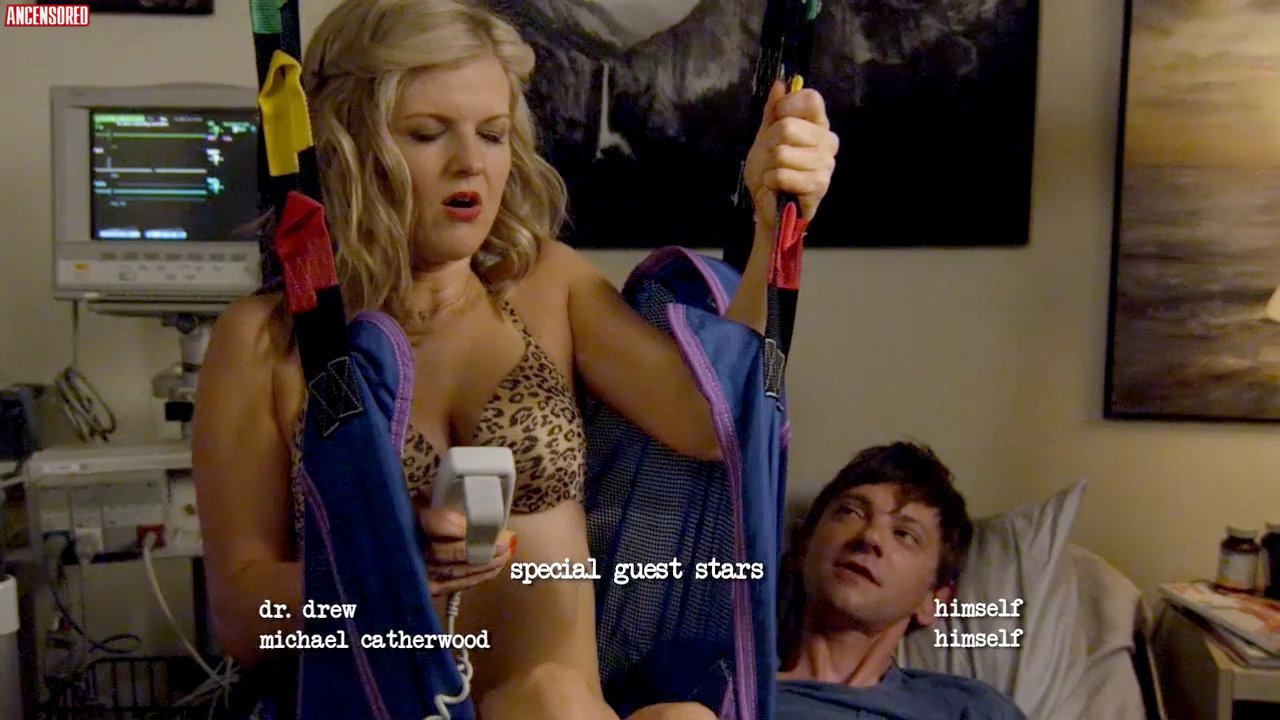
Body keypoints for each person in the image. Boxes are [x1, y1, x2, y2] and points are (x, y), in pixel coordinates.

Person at [190, 0, 838, 718]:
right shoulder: (267, 342)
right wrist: (382, 574)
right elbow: (243, 621)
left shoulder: (546, 286)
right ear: (347, 145)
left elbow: (719, 421)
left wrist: (773, 221)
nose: (471, 162)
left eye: (492, 134)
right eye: (428, 132)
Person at [775, 442, 1026, 719]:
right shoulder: (741, 691)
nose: (870, 537)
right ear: (802, 548)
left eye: (904, 534)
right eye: (851, 512)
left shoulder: (973, 708)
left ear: (933, 601)